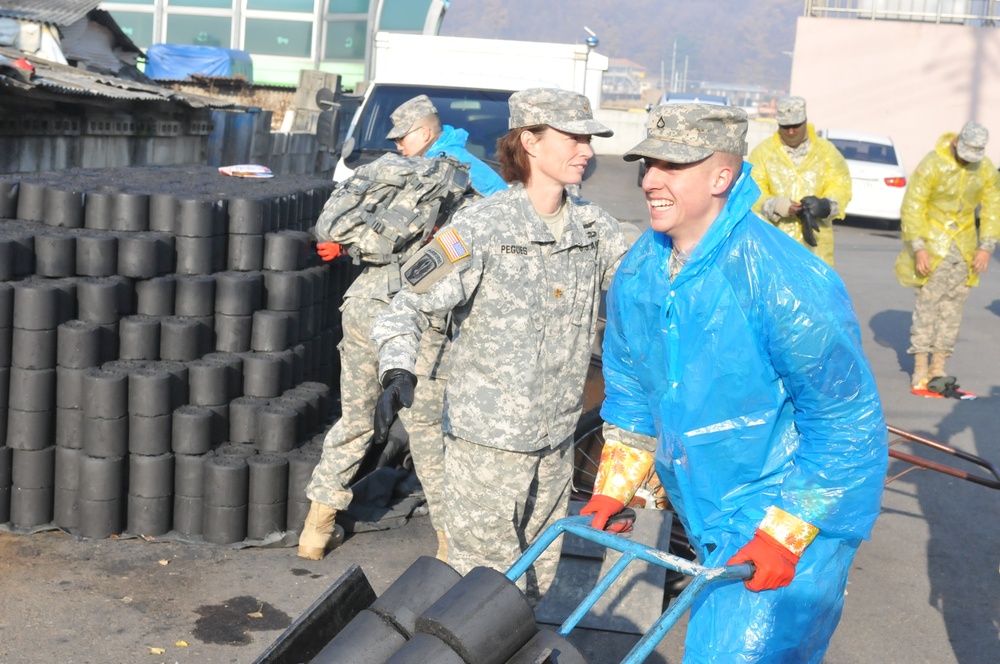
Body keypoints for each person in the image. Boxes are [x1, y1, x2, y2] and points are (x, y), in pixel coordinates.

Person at [581, 104, 888, 661]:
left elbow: (846, 425)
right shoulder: (641, 271)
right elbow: (630, 388)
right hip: (708, 514)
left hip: (787, 519)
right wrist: (614, 485)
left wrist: (784, 533)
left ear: (721, 177)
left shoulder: (781, 280)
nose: (650, 180)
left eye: (671, 167)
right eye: (648, 165)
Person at [369, 88, 631, 601]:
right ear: (529, 142)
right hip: (484, 445)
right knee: (480, 595)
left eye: (589, 139)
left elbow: (648, 294)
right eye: (574, 138)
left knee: (534, 590)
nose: (587, 151)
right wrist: (397, 369)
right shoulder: (481, 227)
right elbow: (406, 303)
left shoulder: (595, 229)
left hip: (554, 445)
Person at [300, 97, 508, 562]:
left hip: (361, 303)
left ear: (428, 130)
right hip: (416, 314)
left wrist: (348, 251)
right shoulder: (469, 174)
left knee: (353, 420)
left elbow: (361, 235)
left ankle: (316, 531)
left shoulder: (392, 174)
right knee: (427, 431)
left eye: (402, 136)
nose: (396, 144)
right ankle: (451, 545)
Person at [894, 120, 999, 395]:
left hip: (964, 249)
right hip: (932, 246)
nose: (968, 160)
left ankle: (939, 366)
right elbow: (913, 204)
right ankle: (919, 366)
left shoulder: (985, 169)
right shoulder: (933, 164)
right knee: (928, 307)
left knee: (951, 311)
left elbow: (992, 206)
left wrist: (986, 246)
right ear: (956, 142)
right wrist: (919, 247)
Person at [747, 95, 852, 267]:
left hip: (816, 250)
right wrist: (775, 205)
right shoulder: (763, 153)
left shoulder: (826, 152)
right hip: (774, 246)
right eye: (785, 127)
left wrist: (826, 205)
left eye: (795, 126)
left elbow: (841, 185)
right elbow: (751, 191)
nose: (790, 132)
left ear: (805, 121)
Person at [386, 94, 507, 196]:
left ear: (424, 133)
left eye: (401, 139)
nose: (399, 147)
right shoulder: (446, 154)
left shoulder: (442, 164)